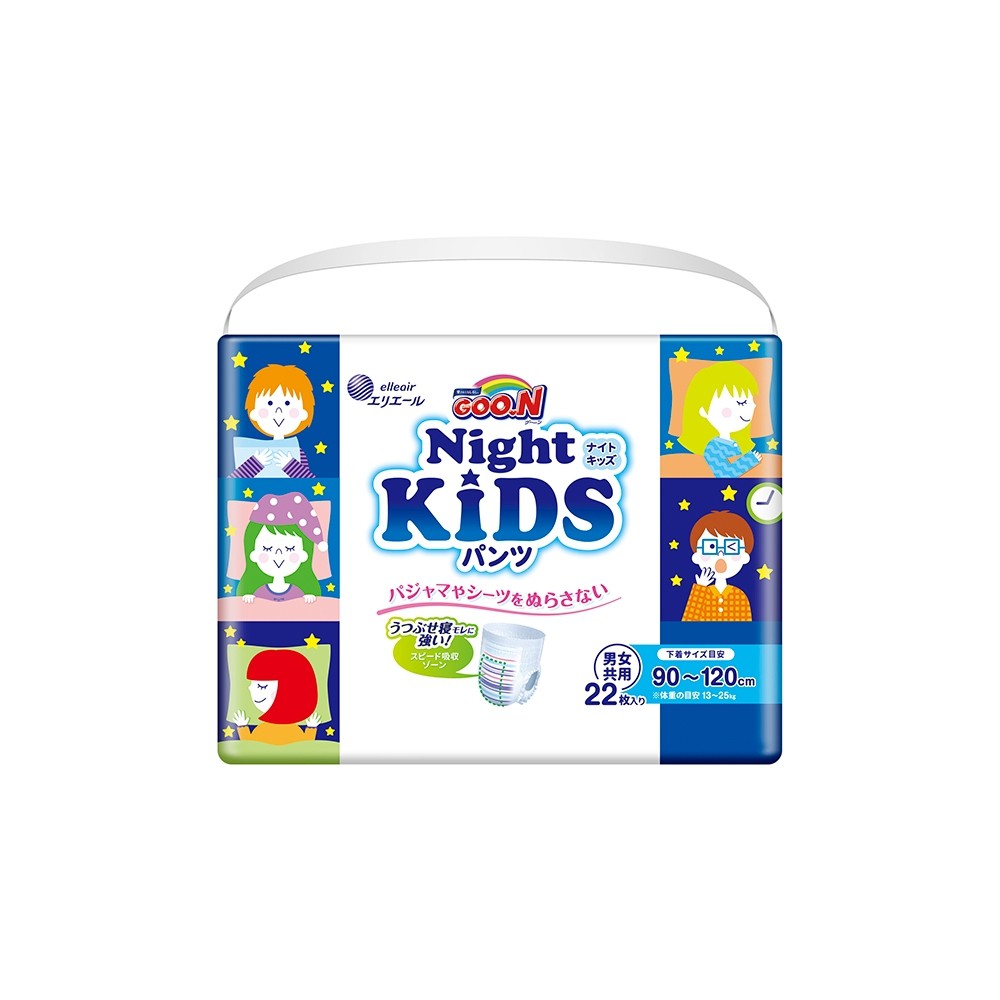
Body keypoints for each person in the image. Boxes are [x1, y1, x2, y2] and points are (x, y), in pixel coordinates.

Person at [229, 363, 317, 478]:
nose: (278, 411)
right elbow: (233, 479)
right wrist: (255, 463)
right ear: (254, 412)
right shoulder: (250, 451)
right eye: (269, 403)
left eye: (287, 403)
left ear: (303, 413)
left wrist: (290, 465)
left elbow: (309, 482)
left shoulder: (297, 452)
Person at [237, 492, 326, 603]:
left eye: (290, 549)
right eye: (267, 549)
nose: (278, 555)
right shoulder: (255, 592)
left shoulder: (302, 593)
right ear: (252, 552)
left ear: (304, 554)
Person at [677, 361, 762, 478]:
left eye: (750, 401)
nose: (753, 406)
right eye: (741, 402)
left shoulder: (733, 442)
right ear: (703, 411)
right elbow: (724, 474)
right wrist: (750, 460)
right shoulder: (713, 448)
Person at [232, 648, 321, 744]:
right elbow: (249, 744)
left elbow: (305, 744)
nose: (250, 688)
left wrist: (311, 728)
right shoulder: (262, 730)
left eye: (261, 686)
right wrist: (242, 726)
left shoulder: (291, 731)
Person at [680, 510, 755, 622]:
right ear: (697, 555)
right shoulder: (702, 594)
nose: (721, 554)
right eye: (711, 547)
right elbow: (687, 624)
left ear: (744, 556)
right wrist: (700, 588)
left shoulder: (739, 596)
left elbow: (746, 628)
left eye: (731, 547)